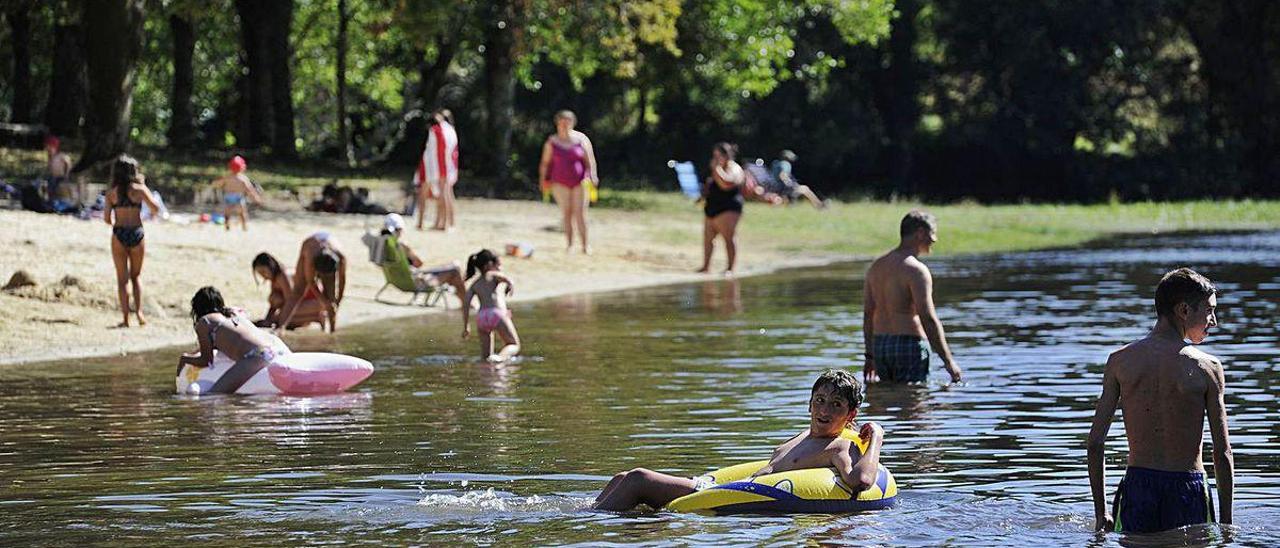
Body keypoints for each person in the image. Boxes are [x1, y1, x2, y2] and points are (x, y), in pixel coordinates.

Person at [593, 368, 884, 511]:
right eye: (819, 400)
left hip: (725, 497)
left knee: (638, 479)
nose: (824, 410)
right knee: (623, 477)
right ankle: (586, 513)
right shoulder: (804, 436)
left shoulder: (840, 444)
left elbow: (860, 481)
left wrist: (877, 437)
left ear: (850, 414)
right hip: (723, 487)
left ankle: (586, 523)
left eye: (836, 405)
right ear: (809, 403)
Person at [1088, 268, 1232, 534]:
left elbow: (1095, 443)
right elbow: (1222, 453)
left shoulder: (1120, 361)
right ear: (1184, 310)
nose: (1214, 321)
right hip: (1189, 489)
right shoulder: (1208, 368)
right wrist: (1227, 525)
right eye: (1209, 310)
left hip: (1137, 489)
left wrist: (1102, 513)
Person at [862, 210, 962, 384]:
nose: (935, 239)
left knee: (887, 401)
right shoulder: (916, 270)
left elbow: (868, 314)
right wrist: (948, 361)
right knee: (914, 405)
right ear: (920, 233)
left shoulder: (876, 267)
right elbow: (928, 318)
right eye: (933, 233)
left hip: (880, 346)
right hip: (909, 344)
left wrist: (870, 355)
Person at [177, 286, 287, 394]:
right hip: (271, 350)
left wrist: (185, 359)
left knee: (214, 394)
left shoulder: (205, 322)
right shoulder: (232, 315)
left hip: (255, 355)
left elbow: (206, 361)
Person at [103, 155, 162, 328]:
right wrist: (143, 186)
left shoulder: (112, 193)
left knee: (122, 280)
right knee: (136, 277)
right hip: (137, 232)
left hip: (119, 234)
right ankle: (140, 314)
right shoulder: (139, 190)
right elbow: (156, 208)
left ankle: (125, 319)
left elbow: (107, 219)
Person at [538, 110, 599, 254]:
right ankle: (570, 245)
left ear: (573, 123)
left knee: (580, 213)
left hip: (580, 181)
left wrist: (593, 175)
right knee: (567, 213)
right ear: (557, 123)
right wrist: (543, 179)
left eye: (568, 122)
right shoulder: (551, 142)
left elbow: (590, 160)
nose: (564, 125)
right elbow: (545, 163)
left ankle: (585, 245)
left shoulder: (581, 139)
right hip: (559, 182)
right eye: (562, 122)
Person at [379, 213, 467, 301]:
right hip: (417, 283)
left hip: (396, 281)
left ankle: (466, 304)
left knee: (453, 270)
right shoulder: (401, 246)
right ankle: (466, 304)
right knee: (455, 270)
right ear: (400, 229)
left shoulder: (381, 246)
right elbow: (419, 263)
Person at [277, 232, 346, 333]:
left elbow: (342, 281)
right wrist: (323, 301)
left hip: (328, 251)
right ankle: (280, 328)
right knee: (298, 292)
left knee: (331, 301)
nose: (323, 278)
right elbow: (310, 282)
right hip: (310, 244)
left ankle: (332, 332)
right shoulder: (310, 256)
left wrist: (337, 302)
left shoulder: (341, 258)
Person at [461, 249, 520, 363]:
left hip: (482, 317)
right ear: (489, 264)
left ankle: (488, 374)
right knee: (513, 344)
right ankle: (500, 358)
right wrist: (510, 285)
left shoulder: (475, 284)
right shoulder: (491, 274)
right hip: (496, 313)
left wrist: (466, 326)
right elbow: (507, 279)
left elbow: (466, 304)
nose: (500, 268)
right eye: (499, 265)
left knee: (486, 357)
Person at [697, 142, 745, 276]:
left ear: (727, 156)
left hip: (728, 207)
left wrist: (717, 170)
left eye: (718, 156)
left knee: (728, 238)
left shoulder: (734, 168)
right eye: (714, 156)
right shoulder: (716, 169)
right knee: (708, 238)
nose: (715, 159)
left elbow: (727, 184)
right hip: (712, 207)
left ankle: (730, 268)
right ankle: (706, 266)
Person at [250, 252, 326, 329]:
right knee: (274, 299)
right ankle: (309, 317)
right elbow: (273, 305)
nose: (263, 276)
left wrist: (277, 321)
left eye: (263, 272)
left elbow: (290, 303)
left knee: (279, 318)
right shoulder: (274, 279)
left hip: (316, 300)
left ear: (271, 266)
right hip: (303, 302)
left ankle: (316, 317)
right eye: (260, 274)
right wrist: (267, 320)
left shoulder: (283, 276)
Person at [413, 109, 460, 231]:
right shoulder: (451, 131)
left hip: (435, 164)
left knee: (431, 192)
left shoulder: (438, 130)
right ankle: (445, 222)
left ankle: (425, 222)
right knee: (447, 193)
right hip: (447, 165)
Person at [210, 155, 263, 231]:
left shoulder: (228, 177)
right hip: (238, 197)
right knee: (242, 213)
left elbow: (219, 184)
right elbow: (249, 189)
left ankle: (227, 226)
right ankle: (244, 227)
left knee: (227, 213)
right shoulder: (243, 178)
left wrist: (214, 184)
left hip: (228, 196)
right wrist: (255, 197)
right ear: (242, 167)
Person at [44, 135, 74, 208]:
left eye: (49, 146)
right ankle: (51, 202)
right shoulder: (50, 156)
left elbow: (68, 162)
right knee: (50, 188)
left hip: (61, 177)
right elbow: (49, 167)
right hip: (52, 176)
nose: (47, 148)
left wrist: (67, 174)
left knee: (58, 189)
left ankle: (59, 203)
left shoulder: (60, 155)